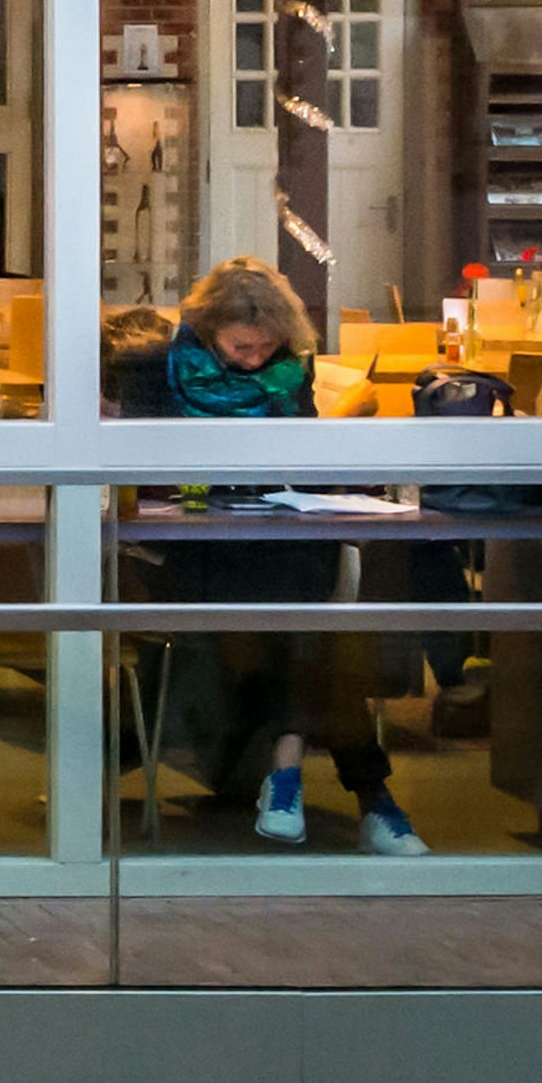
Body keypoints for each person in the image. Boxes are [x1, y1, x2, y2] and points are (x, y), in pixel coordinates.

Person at [157, 255, 432, 859]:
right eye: (241, 346)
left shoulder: (289, 371)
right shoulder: (165, 366)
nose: (256, 359)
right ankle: (372, 801)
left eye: (266, 346)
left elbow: (303, 454)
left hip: (279, 532)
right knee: (312, 639)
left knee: (300, 630)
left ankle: (288, 777)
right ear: (209, 330)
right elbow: (144, 464)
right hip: (196, 542)